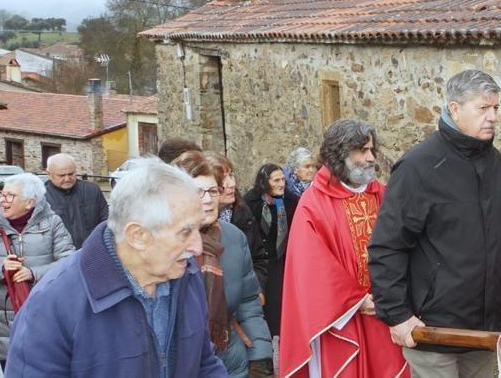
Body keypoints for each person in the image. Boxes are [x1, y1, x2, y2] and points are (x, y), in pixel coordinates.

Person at [4, 159, 227, 377]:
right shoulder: (52, 303)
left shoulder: (187, 275)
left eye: (199, 229)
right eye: (185, 232)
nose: (197, 248)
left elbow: (204, 363)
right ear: (137, 236)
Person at [369, 69, 501, 378]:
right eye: (483, 108)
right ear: (455, 109)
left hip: (484, 331)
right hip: (433, 330)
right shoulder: (418, 166)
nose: (493, 116)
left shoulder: (494, 163)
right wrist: (397, 316)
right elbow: (388, 246)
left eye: (496, 108)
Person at [280, 119, 408, 377]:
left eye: (372, 150)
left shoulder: (384, 194)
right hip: (341, 319)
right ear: (339, 154)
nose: (371, 158)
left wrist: (393, 295)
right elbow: (312, 265)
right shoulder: (313, 203)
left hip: (387, 311)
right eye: (362, 150)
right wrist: (356, 300)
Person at [172, 151, 274, 378]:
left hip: (231, 360)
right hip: (182, 364)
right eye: (198, 192)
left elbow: (249, 302)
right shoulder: (165, 242)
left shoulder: (233, 238)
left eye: (212, 191)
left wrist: (260, 360)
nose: (208, 200)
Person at [0, 172, 74, 372]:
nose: (3, 200)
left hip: (46, 312)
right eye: (2, 194)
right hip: (5, 320)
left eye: (10, 196)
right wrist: (1, 269)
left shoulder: (52, 224)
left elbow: (68, 262)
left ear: (29, 202)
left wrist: (33, 273)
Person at [245, 164, 297, 337]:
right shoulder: (250, 202)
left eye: (283, 179)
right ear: (265, 182)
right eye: (276, 180)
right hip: (259, 261)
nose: (281, 183)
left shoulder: (290, 201)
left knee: (279, 305)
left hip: (281, 260)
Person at [43, 152, 110, 248]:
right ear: (49, 175)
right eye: (61, 175)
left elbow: (106, 221)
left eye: (71, 174)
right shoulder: (42, 197)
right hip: (60, 256)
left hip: (93, 250)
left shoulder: (91, 190)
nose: (67, 179)